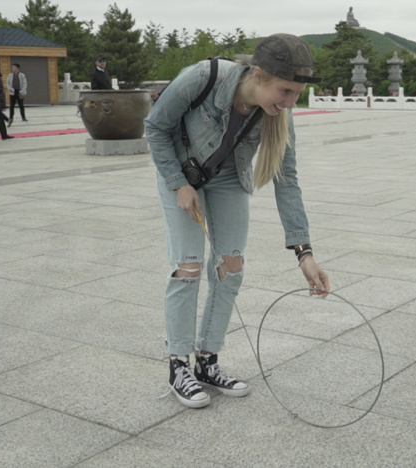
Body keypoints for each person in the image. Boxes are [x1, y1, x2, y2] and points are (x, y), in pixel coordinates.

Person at [144, 33, 330, 409]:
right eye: (285, 91)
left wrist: (304, 253)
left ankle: (208, 361)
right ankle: (178, 364)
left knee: (231, 265)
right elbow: (155, 128)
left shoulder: (279, 116)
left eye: (296, 93)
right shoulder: (203, 78)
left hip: (228, 179)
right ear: (258, 75)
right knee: (189, 266)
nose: (291, 102)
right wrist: (179, 184)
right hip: (180, 173)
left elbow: (286, 179)